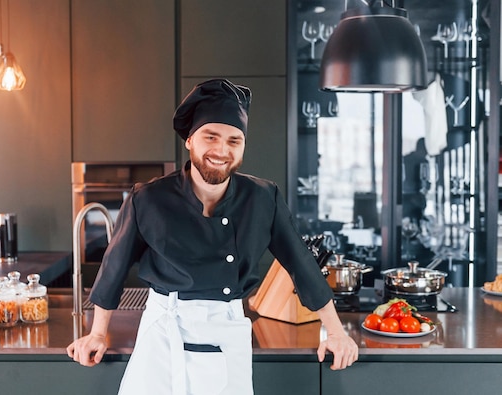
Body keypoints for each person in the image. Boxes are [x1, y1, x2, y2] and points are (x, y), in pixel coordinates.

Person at [67, 78, 358, 394]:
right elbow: (113, 271)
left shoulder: (263, 198)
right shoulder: (148, 199)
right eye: (211, 137)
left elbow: (302, 265)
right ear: (190, 140)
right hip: (164, 328)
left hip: (226, 326)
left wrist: (336, 332)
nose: (222, 150)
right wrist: (97, 334)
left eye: (234, 140)